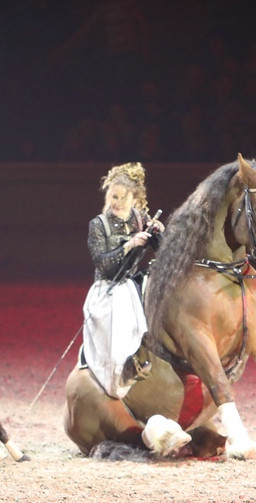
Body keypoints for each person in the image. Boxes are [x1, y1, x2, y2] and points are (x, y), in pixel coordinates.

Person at [81, 162, 163, 399]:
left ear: (134, 199)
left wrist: (158, 232)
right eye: (112, 196)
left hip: (131, 286)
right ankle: (114, 376)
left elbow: (163, 251)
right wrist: (129, 245)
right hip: (107, 289)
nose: (115, 202)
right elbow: (103, 263)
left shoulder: (141, 219)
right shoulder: (98, 225)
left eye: (121, 197)